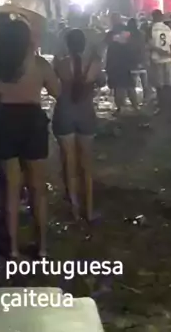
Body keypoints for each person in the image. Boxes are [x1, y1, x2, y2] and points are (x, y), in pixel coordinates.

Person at [0, 17, 60, 258]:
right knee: (37, 189)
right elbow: (57, 92)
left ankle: (12, 248)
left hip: (3, 122)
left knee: (11, 188)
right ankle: (42, 247)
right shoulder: (39, 64)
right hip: (32, 122)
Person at [52, 28, 102, 222]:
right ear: (83, 44)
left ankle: (74, 208)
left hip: (64, 112)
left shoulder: (60, 63)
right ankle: (89, 210)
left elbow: (53, 86)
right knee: (86, 165)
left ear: (68, 44)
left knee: (69, 162)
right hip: (86, 113)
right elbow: (101, 82)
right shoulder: (94, 63)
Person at [105, 18, 138, 113]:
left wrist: (108, 69)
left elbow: (109, 58)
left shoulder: (113, 45)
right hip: (126, 68)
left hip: (117, 69)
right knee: (129, 87)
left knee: (120, 88)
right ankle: (134, 107)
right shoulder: (128, 44)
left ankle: (121, 108)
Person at [148, 10, 171, 111]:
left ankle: (161, 104)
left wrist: (159, 51)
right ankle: (168, 104)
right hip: (168, 58)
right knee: (168, 82)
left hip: (156, 59)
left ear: (153, 17)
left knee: (159, 83)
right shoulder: (168, 28)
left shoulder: (151, 28)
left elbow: (149, 44)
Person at [126, 18, 150, 103]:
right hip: (143, 61)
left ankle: (134, 102)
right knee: (145, 82)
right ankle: (146, 99)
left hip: (132, 62)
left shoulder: (128, 36)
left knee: (132, 84)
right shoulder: (142, 34)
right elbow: (145, 46)